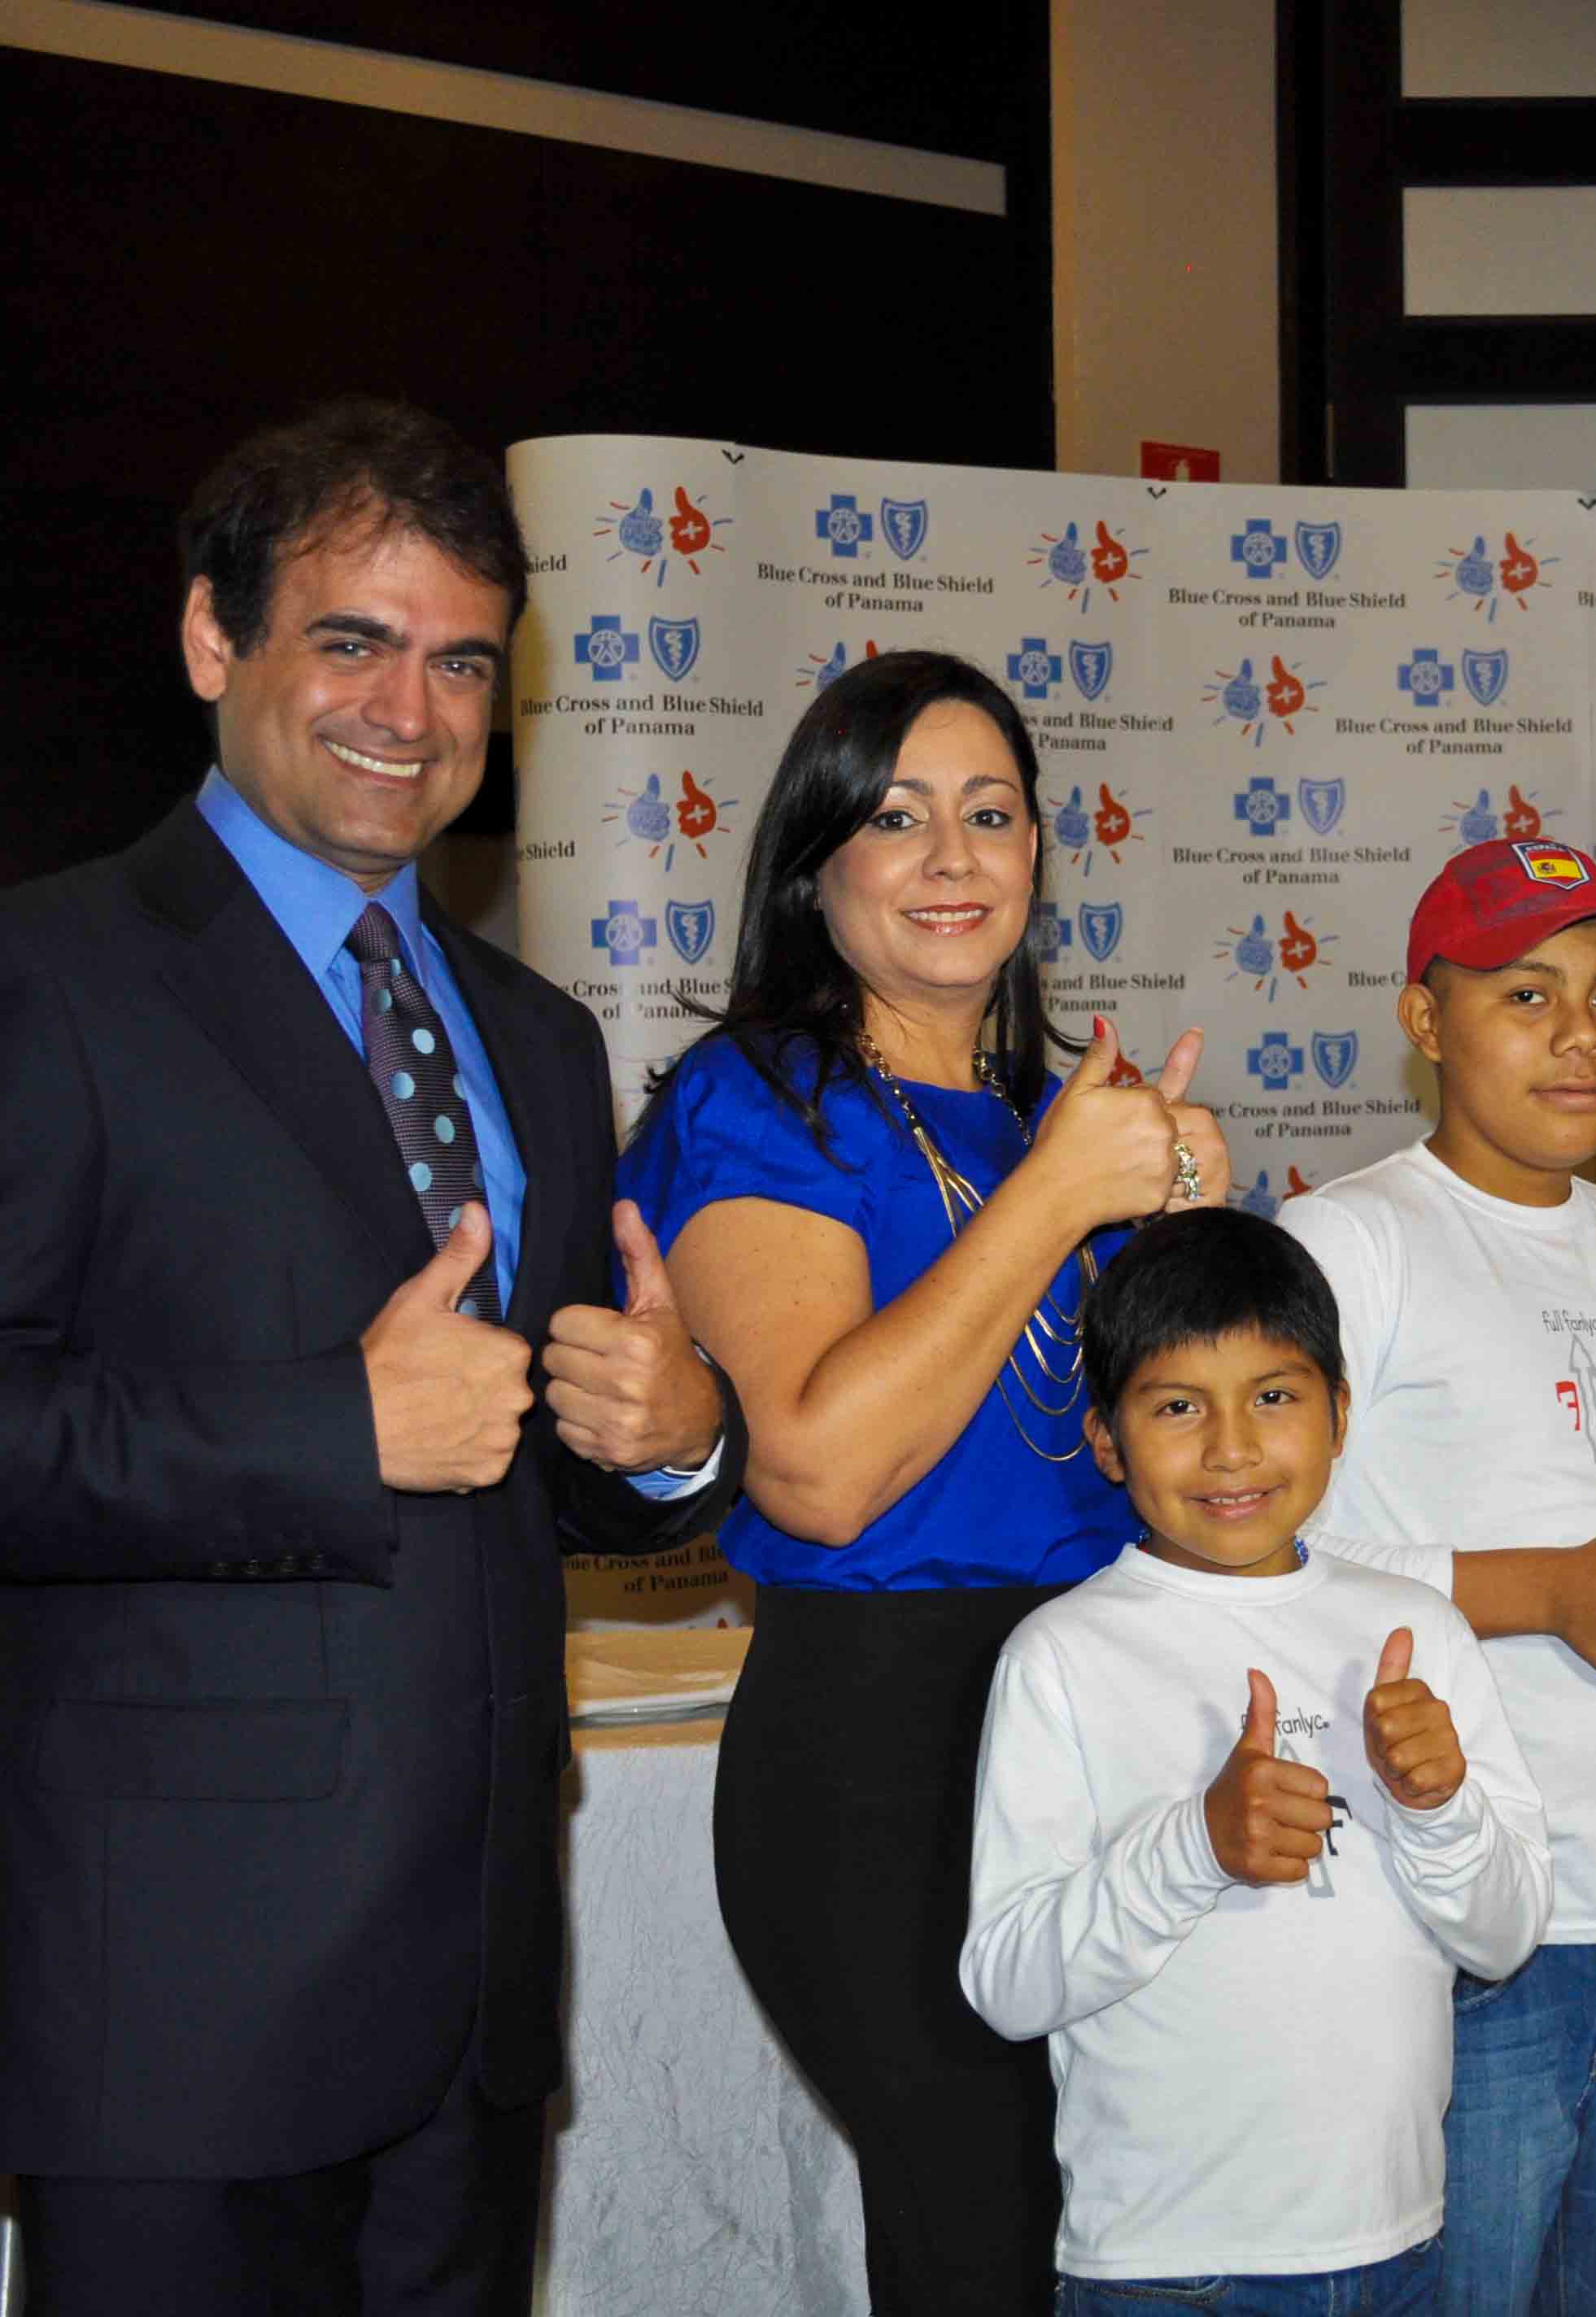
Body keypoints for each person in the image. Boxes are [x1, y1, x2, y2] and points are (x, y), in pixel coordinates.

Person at [0, 397, 736, 2315]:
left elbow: (524, 1453)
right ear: (211, 637)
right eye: (353, 639)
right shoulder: (28, 975)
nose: (409, 711)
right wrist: (334, 1424)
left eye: (462, 662)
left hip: (472, 1999)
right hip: (174, 2006)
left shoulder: (539, 1036)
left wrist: (666, 1436)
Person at [616, 647, 1228, 2314]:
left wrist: (1184, 1249)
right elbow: (816, 1472)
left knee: (1128, 2225)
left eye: (992, 814)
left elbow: (1168, 1466)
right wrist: (1058, 1196)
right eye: (896, 818)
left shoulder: (1055, 1114)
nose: (954, 857)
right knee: (983, 2227)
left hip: (1107, 1709)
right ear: (814, 867)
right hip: (883, 1745)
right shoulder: (760, 1098)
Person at [1276, 838, 1596, 2316]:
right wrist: (1549, 1591)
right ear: (1425, 1020)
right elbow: (1265, 1564)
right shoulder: (1349, 1240)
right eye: (1527, 994)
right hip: (1469, 1926)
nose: (1579, 1037)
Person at [957, 1206, 1554, 2314]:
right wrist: (1195, 1846)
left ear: (1339, 1413)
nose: (1230, 1448)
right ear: (1106, 1442)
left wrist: (1438, 1807)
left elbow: (1506, 1934)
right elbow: (1007, 1983)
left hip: (1397, 2246)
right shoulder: (1063, 1657)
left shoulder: (1417, 1631)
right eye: (1178, 1406)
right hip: (1169, 2271)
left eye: (1274, 1398)